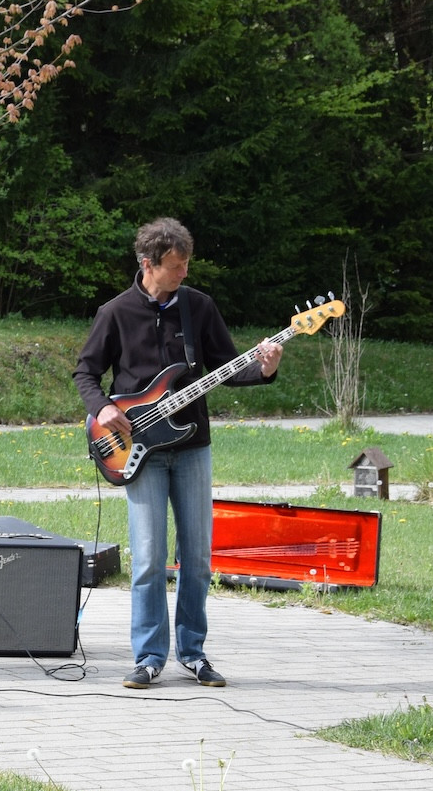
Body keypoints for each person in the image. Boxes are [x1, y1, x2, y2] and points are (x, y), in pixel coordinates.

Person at [73, 218, 281, 690]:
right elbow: (86, 372)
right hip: (137, 451)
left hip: (191, 449)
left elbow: (228, 369)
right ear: (148, 264)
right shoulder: (115, 312)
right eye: (176, 265)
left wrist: (265, 369)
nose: (184, 272)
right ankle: (149, 657)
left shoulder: (198, 307)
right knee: (149, 559)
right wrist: (102, 408)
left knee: (198, 558)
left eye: (187, 264)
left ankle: (193, 653)